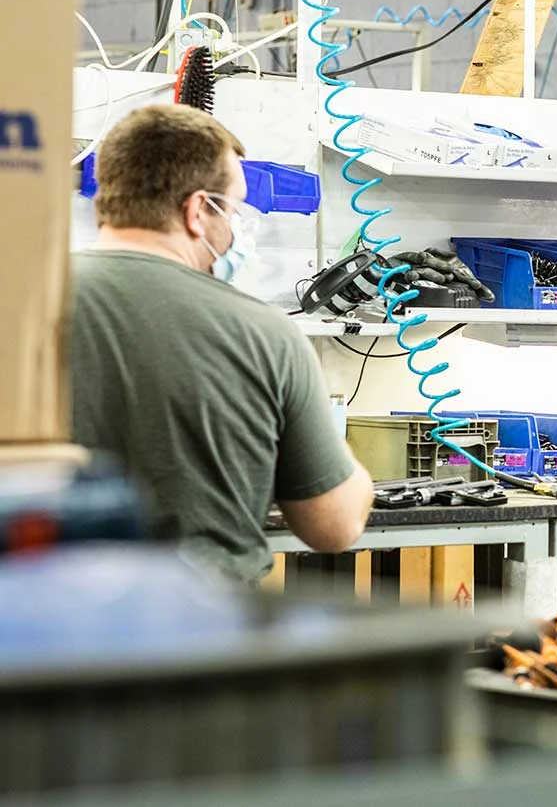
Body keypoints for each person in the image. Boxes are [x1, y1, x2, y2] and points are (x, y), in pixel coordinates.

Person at [68, 103, 373, 585]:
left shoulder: (21, 298)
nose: (236, 230)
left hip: (32, 637)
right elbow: (334, 526)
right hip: (201, 641)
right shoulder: (264, 335)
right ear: (197, 211)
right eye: (232, 209)